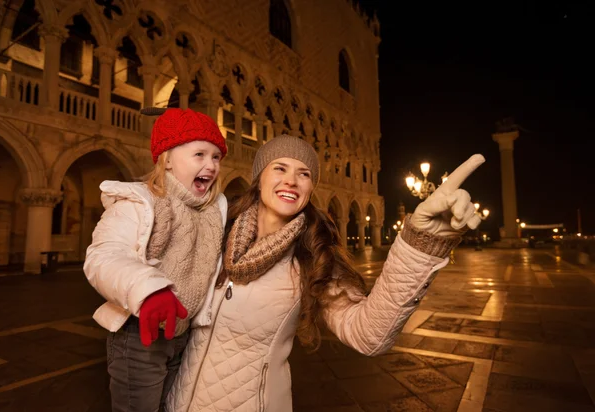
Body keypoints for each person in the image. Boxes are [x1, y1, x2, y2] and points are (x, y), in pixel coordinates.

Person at [166, 135, 485, 412]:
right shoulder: (213, 236)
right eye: (280, 168)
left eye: (303, 173)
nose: (291, 180)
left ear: (310, 188)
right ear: (259, 177)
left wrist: (422, 244)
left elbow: (369, 335)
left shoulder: (310, 260)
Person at [83, 108, 229, 412]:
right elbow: (104, 256)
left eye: (216, 157)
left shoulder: (215, 209)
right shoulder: (140, 202)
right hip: (140, 336)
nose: (211, 165)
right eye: (199, 154)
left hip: (184, 334)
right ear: (167, 158)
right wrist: (149, 290)